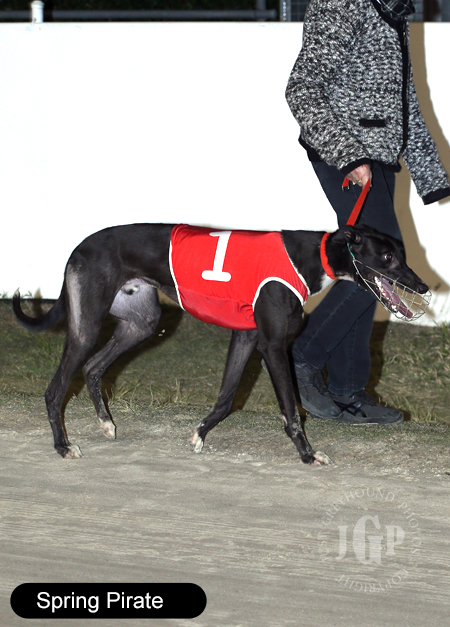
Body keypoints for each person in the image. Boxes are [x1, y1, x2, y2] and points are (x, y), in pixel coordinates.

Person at [285, 0, 450, 424]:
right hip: (347, 158)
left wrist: (432, 176)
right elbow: (302, 88)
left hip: (379, 160)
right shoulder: (342, 3)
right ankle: (302, 355)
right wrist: (348, 156)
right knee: (381, 266)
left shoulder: (393, 10)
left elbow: (405, 102)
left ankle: (346, 391)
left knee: (368, 271)